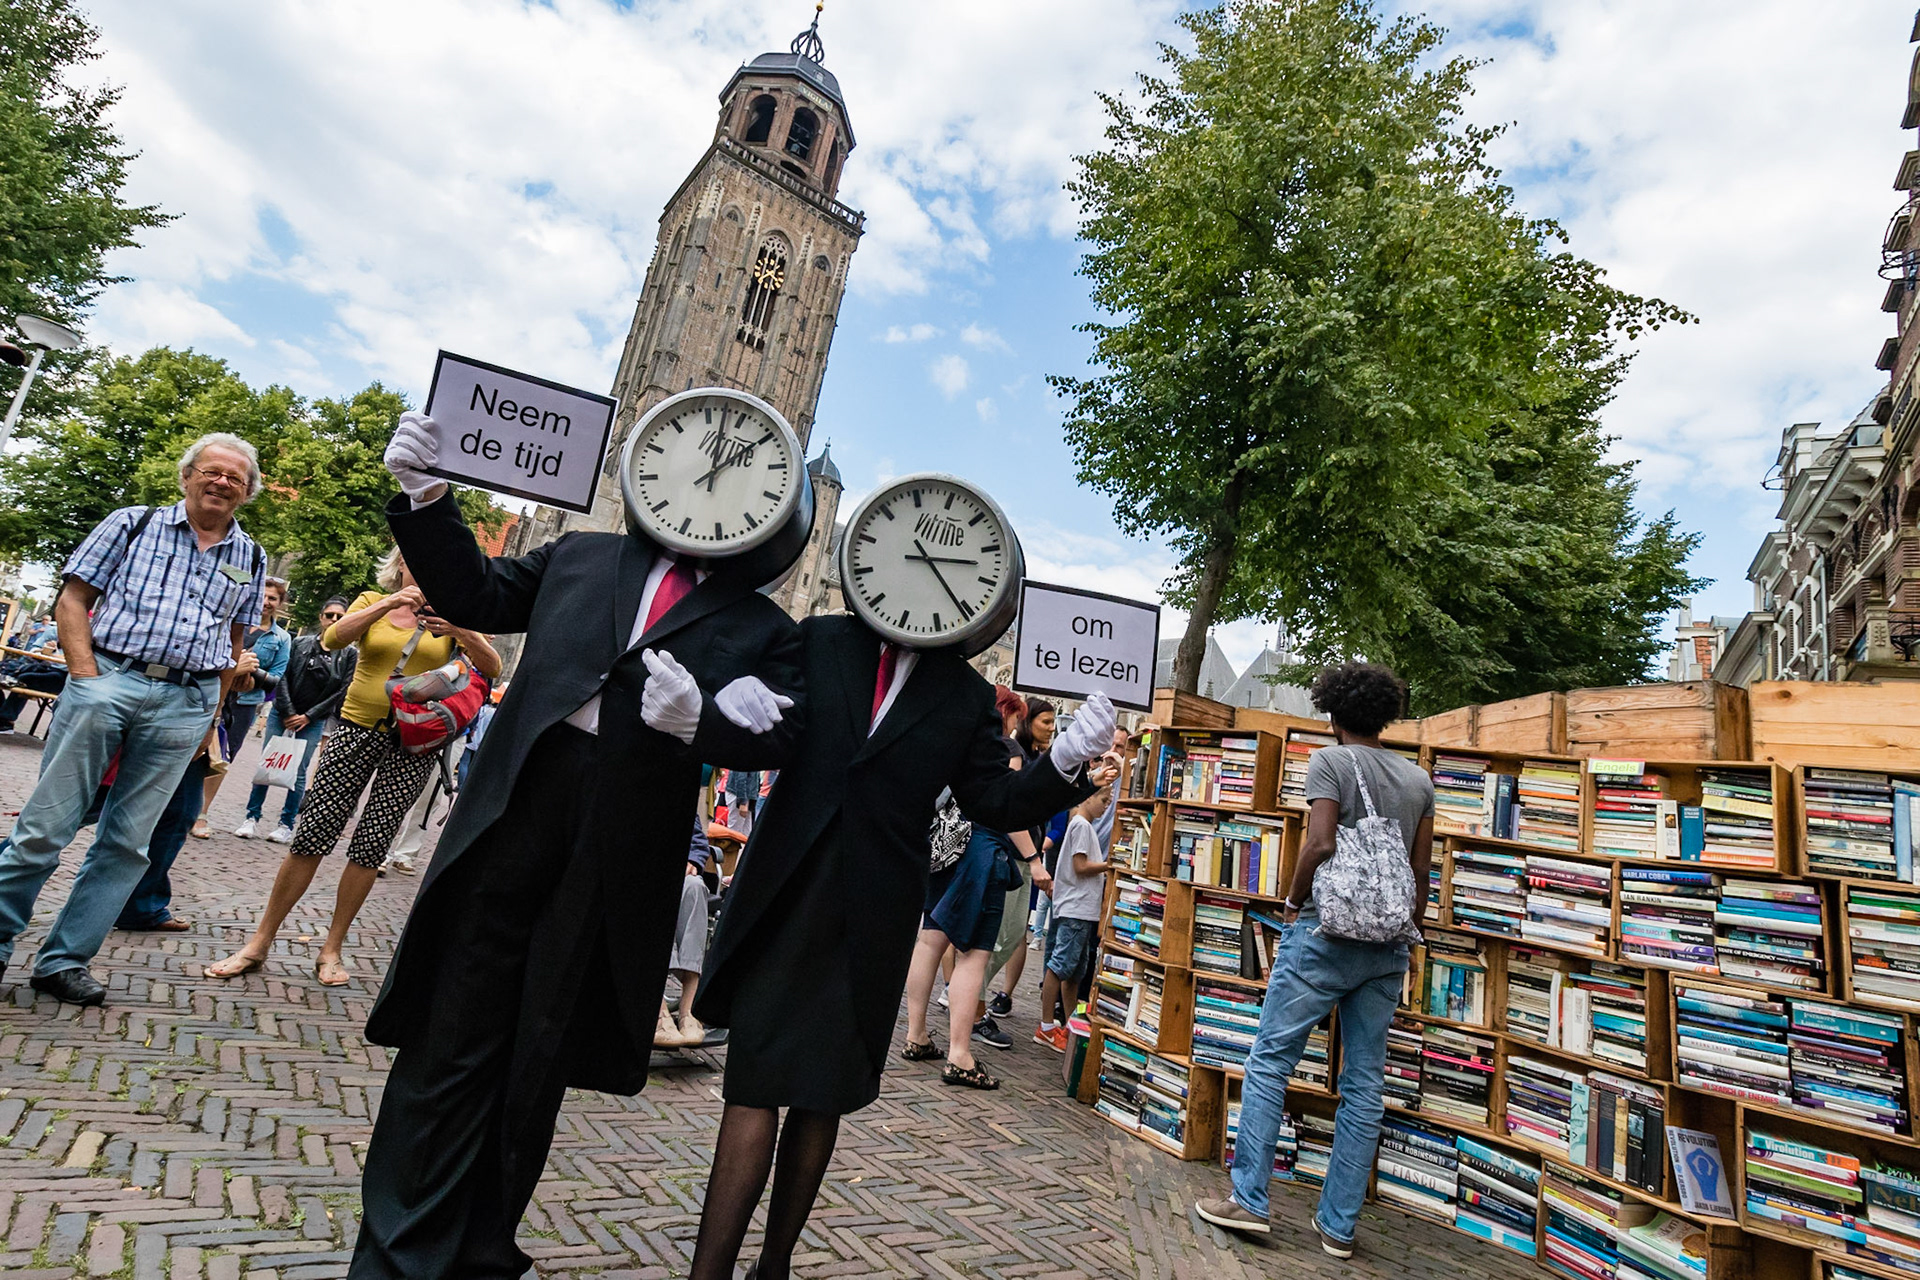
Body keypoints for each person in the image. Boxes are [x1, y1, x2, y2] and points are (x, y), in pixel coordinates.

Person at [346, 416, 806, 1280]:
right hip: (521, 806)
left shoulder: (761, 624)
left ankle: (485, 1248)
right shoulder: (582, 554)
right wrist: (427, 498)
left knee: (540, 1052)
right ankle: (396, 1251)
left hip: (620, 841)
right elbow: (478, 593)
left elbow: (786, 729)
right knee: (452, 1032)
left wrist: (703, 721)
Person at [686, 602, 1117, 1280]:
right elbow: (767, 738)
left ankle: (774, 1266)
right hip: (786, 892)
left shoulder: (964, 692)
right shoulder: (825, 638)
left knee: (822, 1091)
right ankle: (707, 1273)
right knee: (755, 1081)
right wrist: (721, 713)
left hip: (873, 911)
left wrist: (1062, 761)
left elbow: (993, 803)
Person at [0, 433, 266, 1005]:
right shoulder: (133, 522)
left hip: (186, 700)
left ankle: (64, 961)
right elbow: (72, 600)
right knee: (45, 828)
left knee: (127, 843)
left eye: (235, 479)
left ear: (246, 493)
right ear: (188, 475)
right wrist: (87, 679)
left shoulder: (252, 555)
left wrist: (210, 712)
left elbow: (235, 637)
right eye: (212, 472)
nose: (222, 483)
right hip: (111, 679)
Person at [1195, 661, 1434, 1259]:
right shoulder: (1418, 780)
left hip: (1326, 936)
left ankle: (1249, 1202)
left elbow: (1321, 842)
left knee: (1271, 1059)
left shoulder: (1330, 762)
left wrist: (1293, 903)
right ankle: (1338, 1226)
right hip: (1387, 946)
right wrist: (1404, 929)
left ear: (1332, 713)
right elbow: (1421, 873)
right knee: (1364, 1084)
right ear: (1385, 715)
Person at [206, 549, 501, 988]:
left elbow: (492, 668)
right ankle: (260, 940)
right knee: (311, 837)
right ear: (399, 565)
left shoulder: (452, 615)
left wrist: (459, 628)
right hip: (354, 730)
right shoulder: (369, 601)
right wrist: (390, 603)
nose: (421, 570)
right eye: (412, 561)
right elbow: (332, 639)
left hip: (414, 743)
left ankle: (333, 948)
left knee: (372, 845)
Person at [901, 804, 1023, 1090]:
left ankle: (915, 1034)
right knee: (974, 955)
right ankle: (959, 1056)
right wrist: (1033, 858)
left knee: (930, 939)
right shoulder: (1007, 756)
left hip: (946, 841)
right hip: (982, 848)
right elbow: (1010, 802)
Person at [237, 596, 354, 843]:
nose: (334, 620)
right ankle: (251, 817)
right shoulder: (299, 643)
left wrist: (308, 717)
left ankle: (286, 823)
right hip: (283, 714)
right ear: (321, 617)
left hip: (312, 721)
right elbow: (284, 678)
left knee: (299, 772)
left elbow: (341, 691)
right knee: (267, 764)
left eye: (340, 617)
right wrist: (289, 711)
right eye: (330, 615)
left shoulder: (348, 654)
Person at [980, 695, 1057, 1039]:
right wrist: (1033, 859)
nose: (1052, 728)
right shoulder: (1014, 751)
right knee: (1000, 935)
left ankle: (970, 999)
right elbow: (1011, 807)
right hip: (1011, 855)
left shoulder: (1032, 756)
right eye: (1045, 722)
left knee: (1009, 936)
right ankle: (972, 1004)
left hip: (1020, 856)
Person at [193, 577, 293, 838]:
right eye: (262, 595)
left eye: (273, 598)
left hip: (243, 705)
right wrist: (234, 668)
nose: (266, 602)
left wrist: (249, 671)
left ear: (280, 604)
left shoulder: (281, 638)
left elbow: (276, 678)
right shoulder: (231, 624)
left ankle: (201, 815)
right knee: (191, 749)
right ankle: (176, 807)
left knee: (221, 759)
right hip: (209, 695)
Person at [658, 813, 717, 1050]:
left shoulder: (678, 794)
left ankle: (688, 1010)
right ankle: (658, 1013)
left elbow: (698, 842)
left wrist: (692, 860)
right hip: (641, 877)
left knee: (695, 887)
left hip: (680, 874)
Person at [0, 617, 65, 734]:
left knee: (26, 678)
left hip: (63, 674)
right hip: (40, 666)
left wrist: (53, 654)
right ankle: (4, 716)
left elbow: (72, 664)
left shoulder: (86, 637)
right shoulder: (54, 631)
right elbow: (33, 650)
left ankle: (6, 720)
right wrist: (44, 649)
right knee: (22, 674)